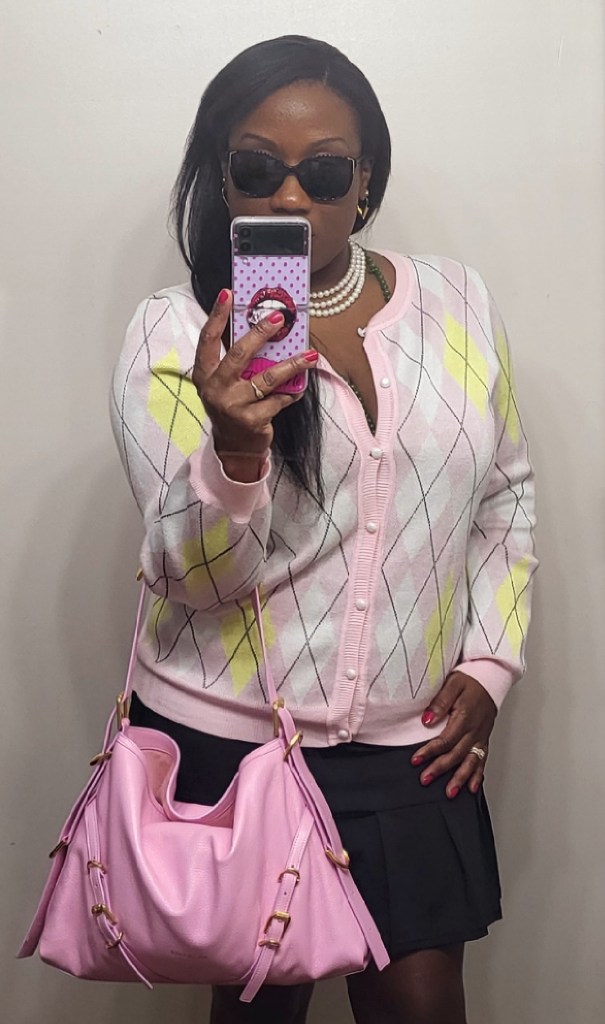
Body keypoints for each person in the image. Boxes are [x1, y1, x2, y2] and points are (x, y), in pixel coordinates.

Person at [110, 34, 537, 1024]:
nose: (292, 197)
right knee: (261, 1012)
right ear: (223, 177)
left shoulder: (457, 303)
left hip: (408, 746)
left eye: (326, 171)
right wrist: (234, 452)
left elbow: (504, 494)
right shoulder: (171, 334)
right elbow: (199, 583)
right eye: (258, 168)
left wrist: (489, 661)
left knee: (421, 1006)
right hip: (238, 746)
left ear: (366, 179)